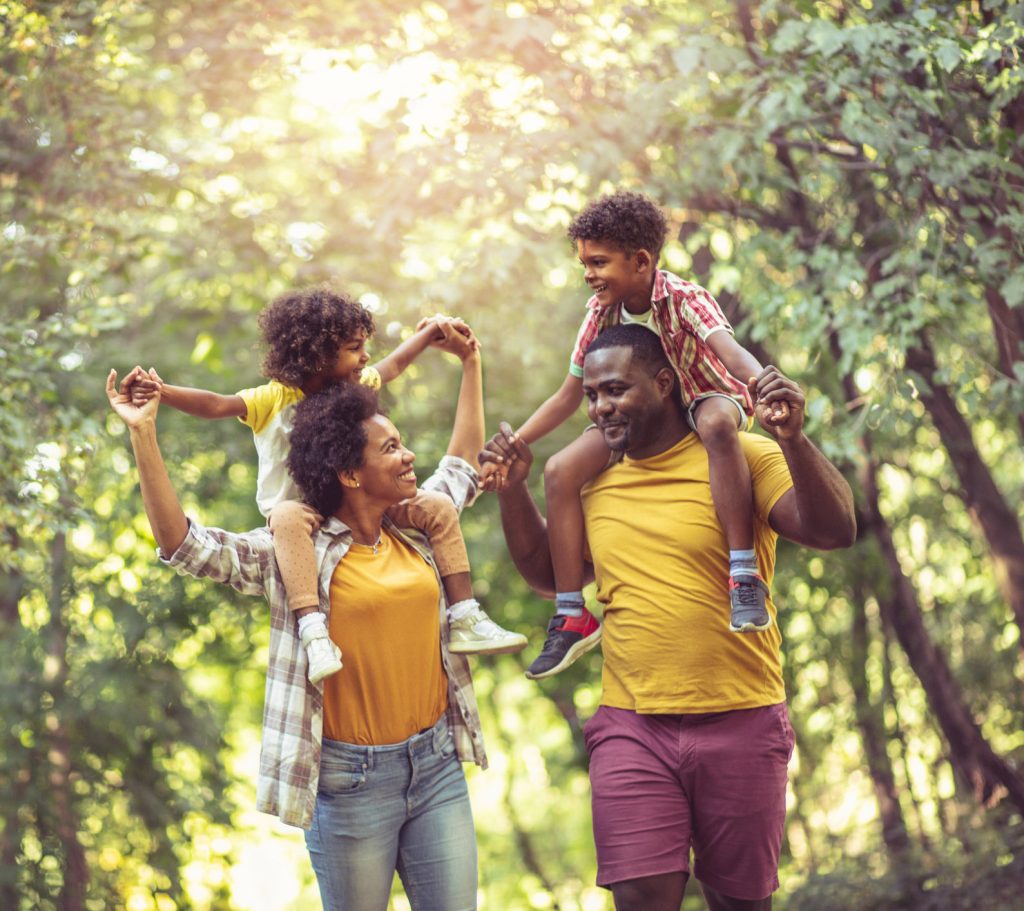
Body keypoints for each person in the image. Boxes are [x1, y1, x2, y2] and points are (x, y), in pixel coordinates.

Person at [481, 323, 856, 911]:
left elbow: (834, 531)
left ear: (663, 383)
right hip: (633, 725)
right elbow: (551, 578)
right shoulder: (592, 481)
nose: (601, 407)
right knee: (639, 897)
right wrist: (512, 490)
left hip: (743, 717)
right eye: (593, 395)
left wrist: (794, 441)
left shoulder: (740, 456)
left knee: (740, 902)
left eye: (615, 390)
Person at [107, 360, 491, 911]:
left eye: (401, 444)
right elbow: (185, 544)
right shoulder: (295, 554)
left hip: (435, 768)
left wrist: (470, 363)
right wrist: (143, 431)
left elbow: (460, 466)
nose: (408, 457)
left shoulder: (419, 529)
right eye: (390, 449)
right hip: (350, 783)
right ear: (350, 475)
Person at [132, 287, 525, 685]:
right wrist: (160, 396)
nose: (365, 357)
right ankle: (313, 630)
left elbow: (396, 367)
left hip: (355, 507)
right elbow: (216, 405)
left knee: (438, 506)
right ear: (318, 354)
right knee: (287, 516)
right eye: (355, 348)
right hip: (298, 520)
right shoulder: (275, 398)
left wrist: (437, 339)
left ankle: (465, 614)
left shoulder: (357, 397)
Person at [490, 190, 782, 680]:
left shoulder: (684, 298)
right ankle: (570, 613)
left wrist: (765, 386)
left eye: (599, 262)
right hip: (640, 412)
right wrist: (515, 443)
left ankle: (742, 572)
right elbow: (567, 395)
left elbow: (728, 352)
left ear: (641, 260)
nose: (589, 273)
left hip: (708, 396)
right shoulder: (601, 311)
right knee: (561, 471)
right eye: (584, 262)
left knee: (713, 425)